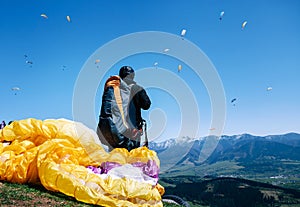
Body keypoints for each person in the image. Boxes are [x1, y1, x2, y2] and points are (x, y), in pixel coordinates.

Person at [97, 66, 151, 151]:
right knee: (130, 157)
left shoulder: (114, 87)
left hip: (116, 129)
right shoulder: (137, 88)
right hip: (132, 131)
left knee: (115, 158)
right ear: (132, 76)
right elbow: (146, 105)